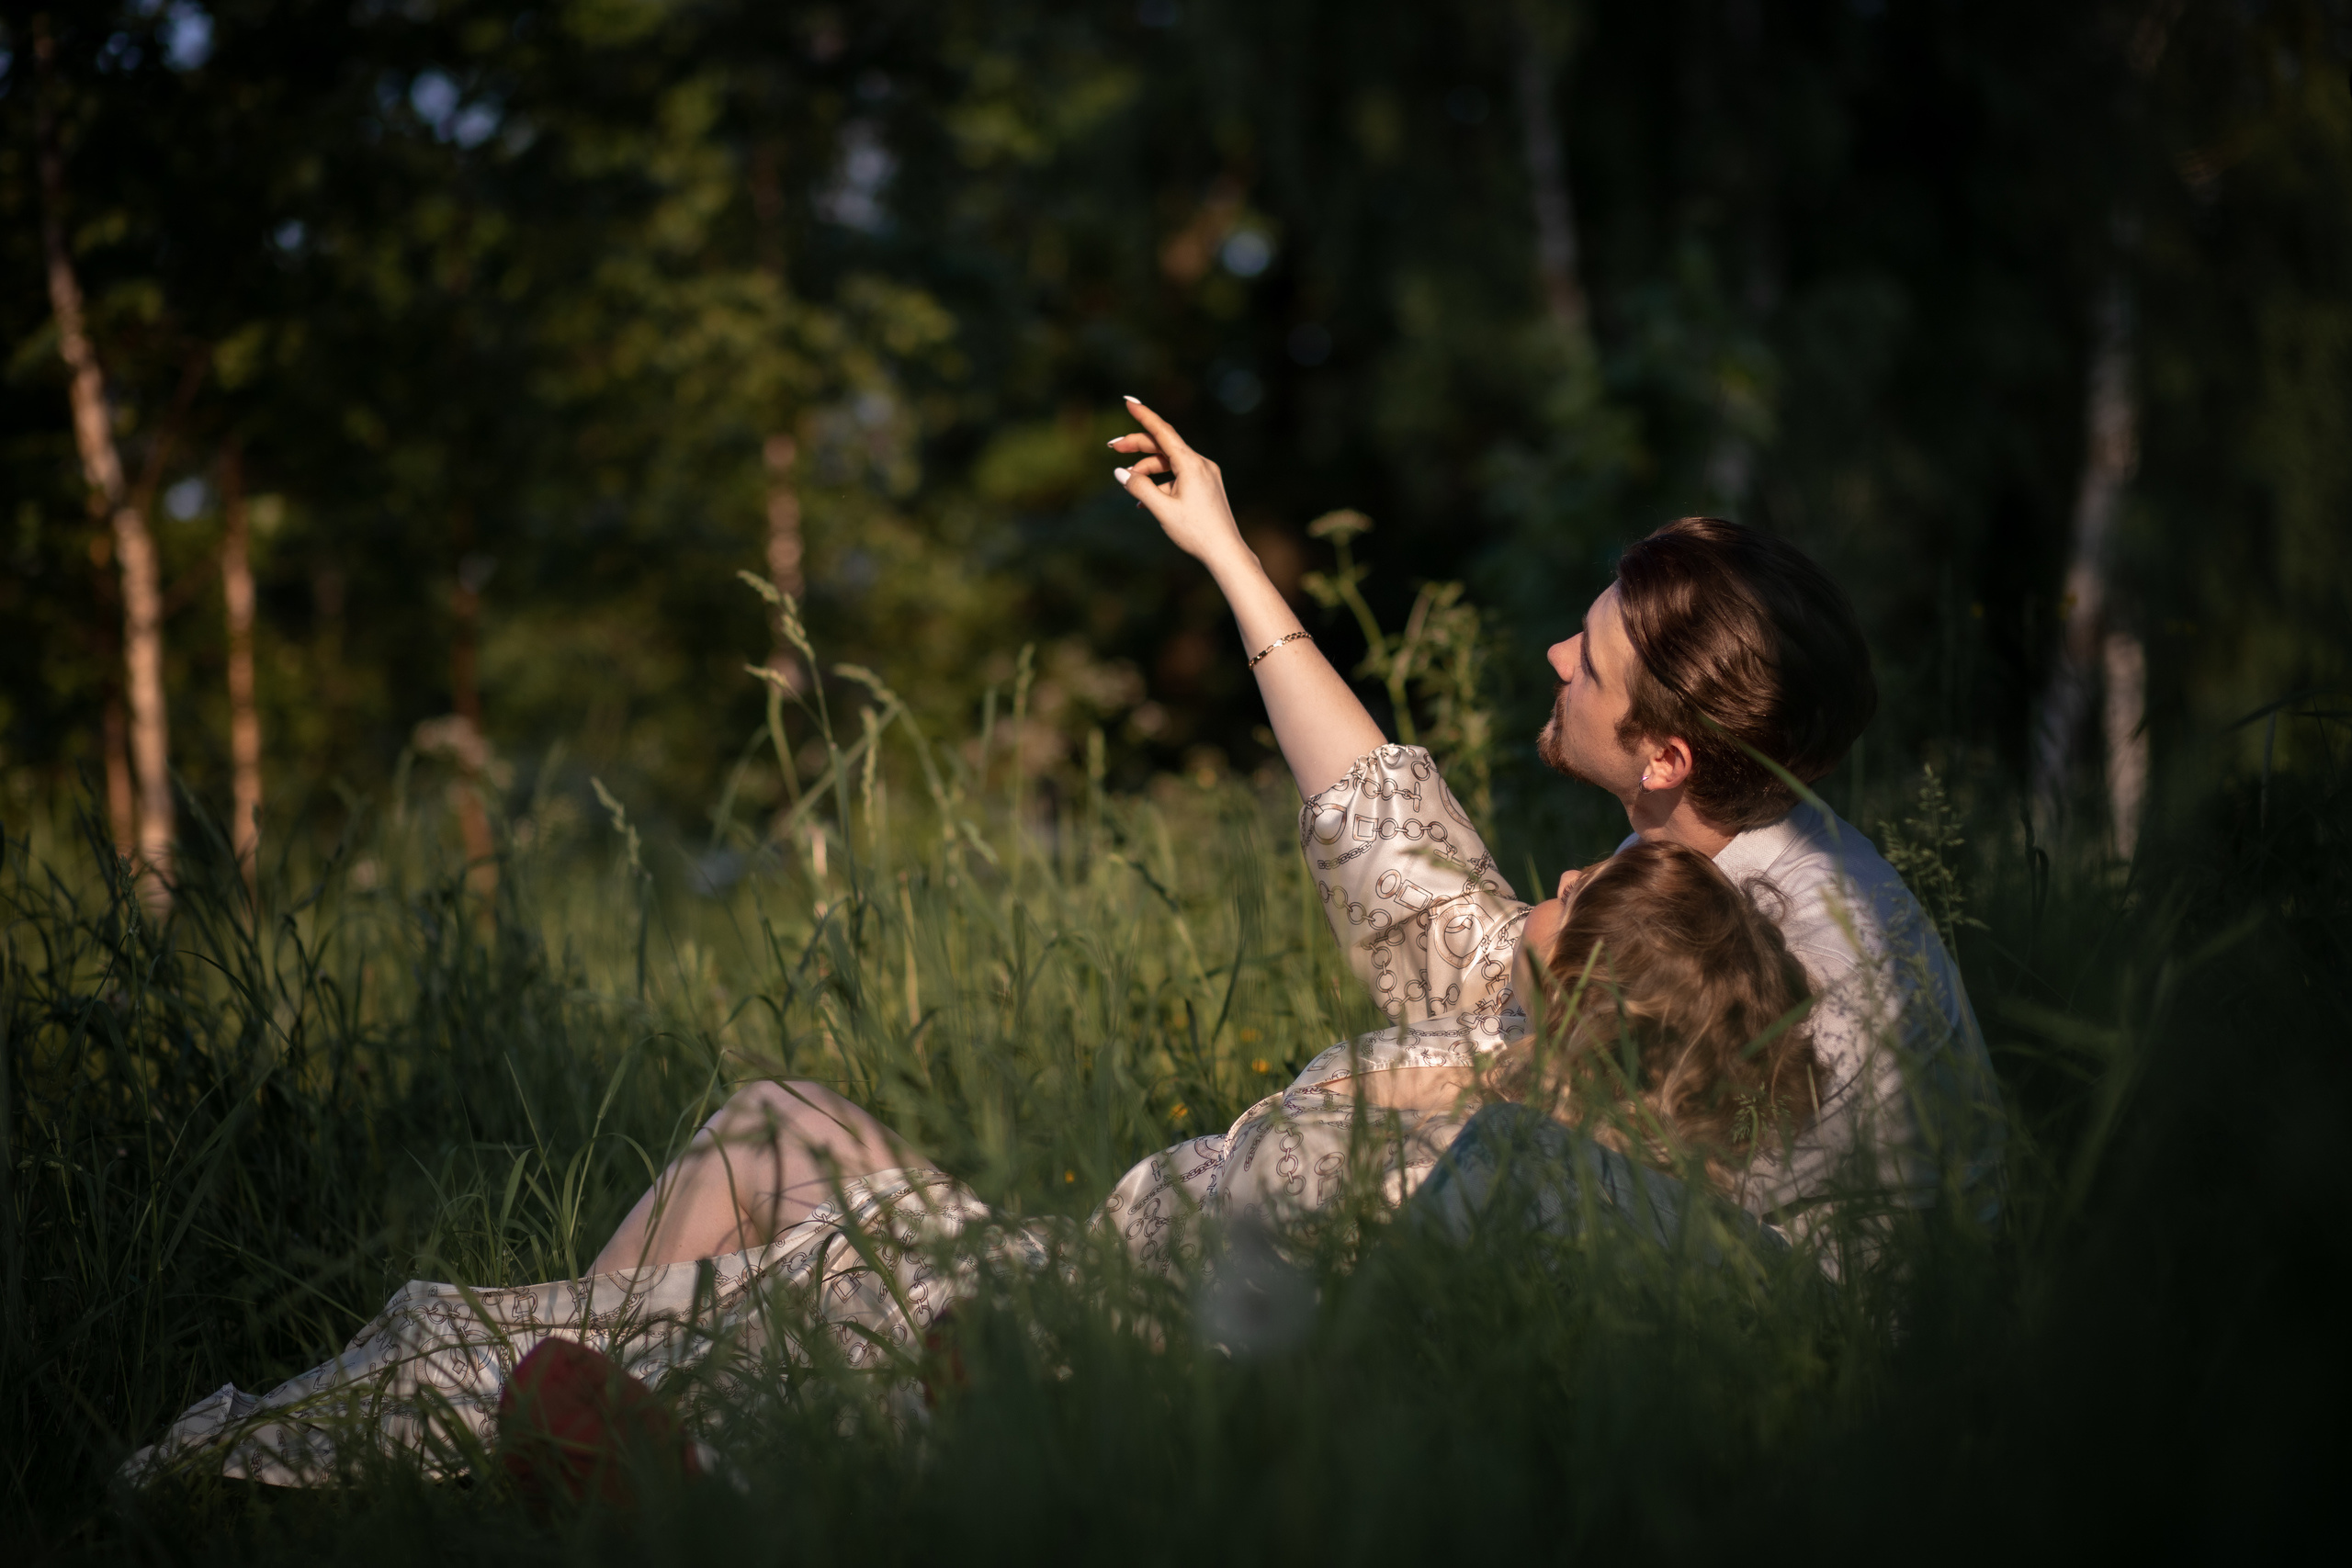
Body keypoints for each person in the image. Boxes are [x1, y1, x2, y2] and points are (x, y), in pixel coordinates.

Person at [122, 398, 1963, 1486]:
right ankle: (596, 1463)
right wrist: (1233, 559)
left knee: (769, 1310)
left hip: (1131, 1326)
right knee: (768, 1120)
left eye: (1586, 656)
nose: (1550, 659)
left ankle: (551, 1467)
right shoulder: (1705, 839)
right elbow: (1422, 896)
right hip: (1135, 1258)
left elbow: (1710, 1245)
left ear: (1663, 748)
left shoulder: (1767, 945)